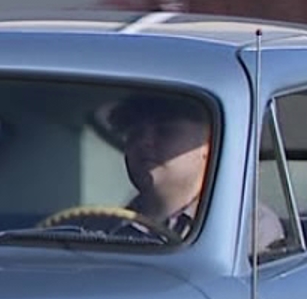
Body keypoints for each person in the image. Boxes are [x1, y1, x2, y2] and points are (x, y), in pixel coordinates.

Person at [101, 92, 285, 253]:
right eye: (135, 134)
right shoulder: (95, 228)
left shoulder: (247, 227)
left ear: (211, 144)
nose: (144, 143)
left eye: (166, 132)